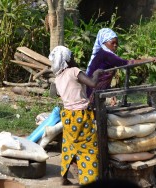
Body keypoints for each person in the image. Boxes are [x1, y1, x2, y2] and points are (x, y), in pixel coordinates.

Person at [48, 46, 103, 185]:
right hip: (82, 115)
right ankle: (89, 181)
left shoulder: (58, 77)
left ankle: (64, 178)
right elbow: (93, 83)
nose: (74, 59)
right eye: (72, 57)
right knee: (89, 148)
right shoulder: (74, 71)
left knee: (68, 146)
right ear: (67, 60)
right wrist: (97, 73)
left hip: (67, 116)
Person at [85, 28, 156, 105]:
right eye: (112, 43)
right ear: (104, 42)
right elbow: (126, 63)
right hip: (93, 92)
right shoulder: (106, 54)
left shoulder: (102, 53)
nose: (115, 45)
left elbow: (104, 77)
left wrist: (110, 93)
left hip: (96, 90)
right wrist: (149, 60)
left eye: (117, 43)